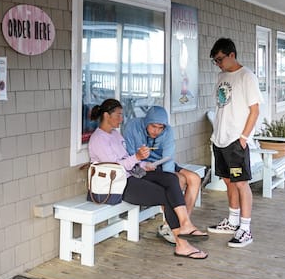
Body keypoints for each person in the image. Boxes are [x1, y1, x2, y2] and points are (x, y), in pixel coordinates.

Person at [88, 98, 208, 259]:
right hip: (121, 185)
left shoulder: (115, 135)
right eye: (118, 115)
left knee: (171, 180)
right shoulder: (98, 139)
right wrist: (137, 157)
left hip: (134, 174)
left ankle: (186, 223)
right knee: (166, 195)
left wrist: (144, 164)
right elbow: (117, 167)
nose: (121, 118)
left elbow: (127, 160)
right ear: (106, 115)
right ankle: (182, 245)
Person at [122, 106, 205, 245]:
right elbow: (129, 153)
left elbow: (168, 158)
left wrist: (167, 176)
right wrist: (144, 163)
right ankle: (170, 226)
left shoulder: (168, 131)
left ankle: (183, 224)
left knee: (194, 178)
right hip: (141, 167)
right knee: (178, 181)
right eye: (153, 126)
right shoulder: (133, 126)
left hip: (161, 163)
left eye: (160, 127)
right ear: (146, 122)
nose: (157, 131)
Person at [207, 38, 261, 248]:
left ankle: (245, 229)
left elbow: (254, 110)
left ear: (231, 55)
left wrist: (244, 137)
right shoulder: (221, 76)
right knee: (228, 181)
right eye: (215, 60)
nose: (218, 63)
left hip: (235, 140)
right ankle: (232, 221)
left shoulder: (247, 76)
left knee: (240, 183)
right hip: (220, 138)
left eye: (220, 59)